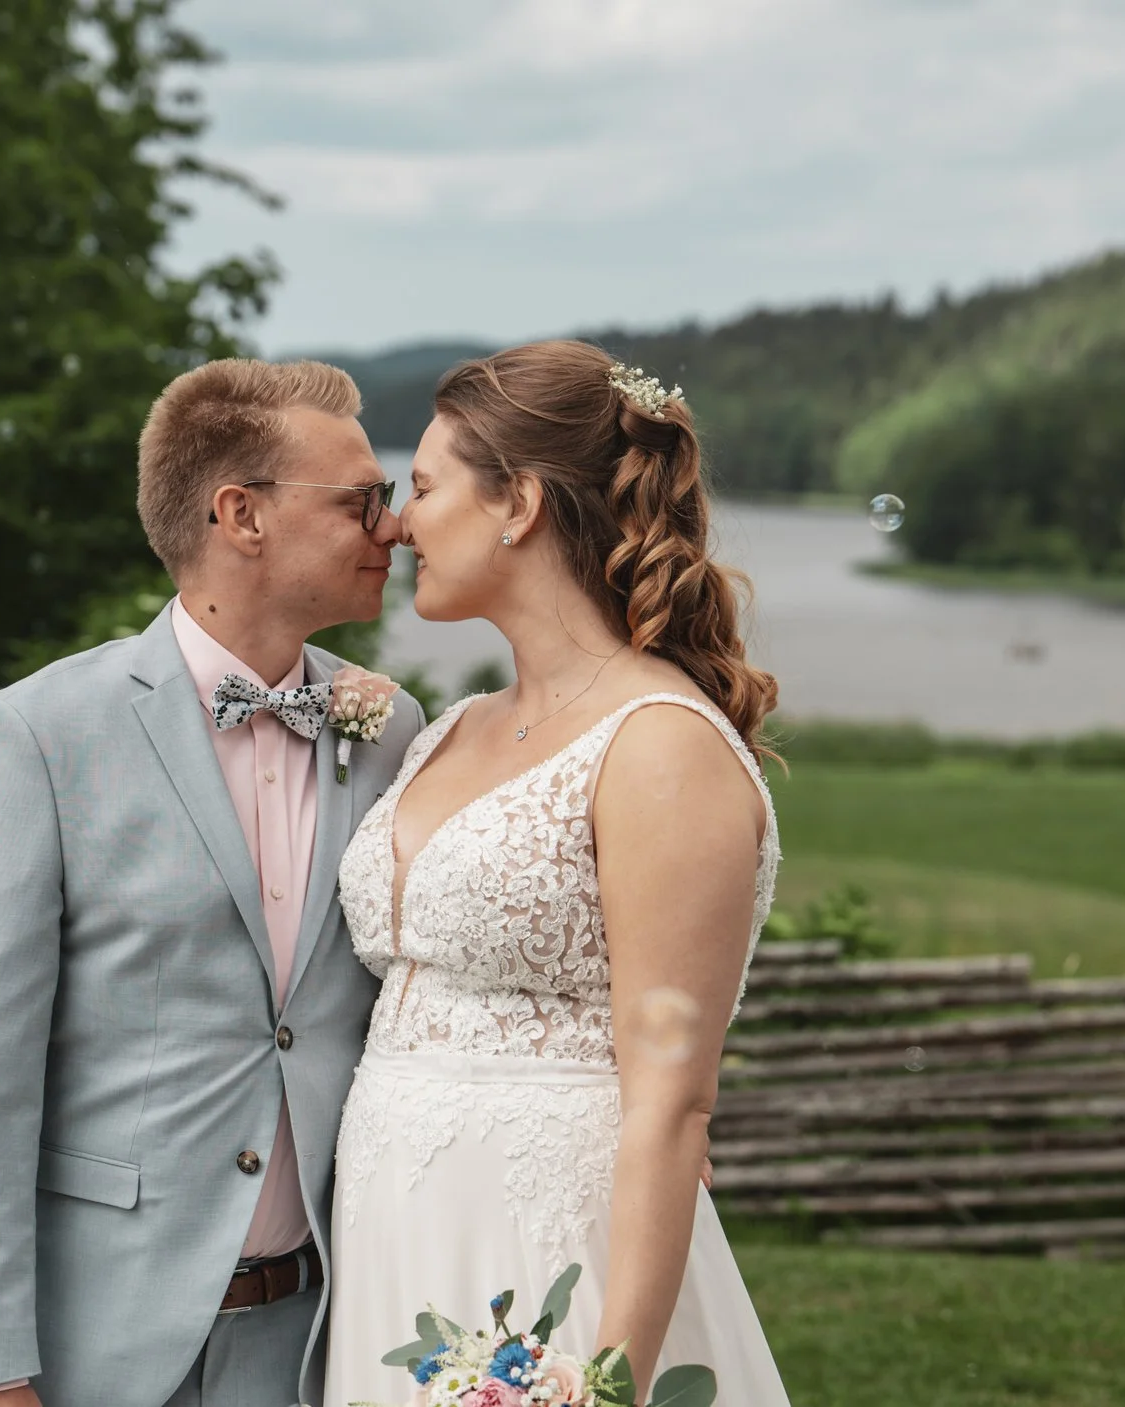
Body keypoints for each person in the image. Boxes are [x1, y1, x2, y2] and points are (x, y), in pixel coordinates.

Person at [0, 358, 425, 1407]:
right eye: (362, 500)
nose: (394, 528)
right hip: (104, 1342)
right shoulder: (39, 735)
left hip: (327, 1339)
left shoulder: (388, 728)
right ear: (241, 514)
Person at [324, 341, 792, 1404]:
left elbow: (670, 1100)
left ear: (518, 504)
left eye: (426, 488)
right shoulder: (447, 731)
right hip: (392, 1239)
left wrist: (605, 1371)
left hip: (556, 1256)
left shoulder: (661, 746)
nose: (396, 524)